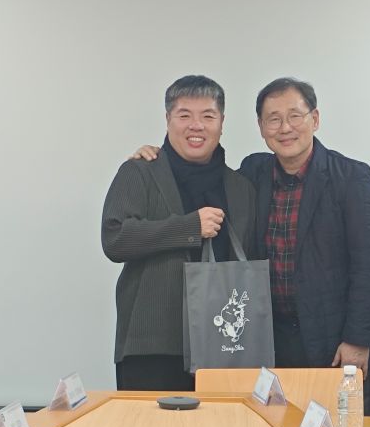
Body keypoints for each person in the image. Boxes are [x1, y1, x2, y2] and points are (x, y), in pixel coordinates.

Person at [133, 77, 370, 413]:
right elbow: (202, 180)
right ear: (260, 127)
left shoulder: (351, 178)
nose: (285, 128)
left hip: (334, 343)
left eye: (294, 116)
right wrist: (158, 159)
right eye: (273, 119)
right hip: (268, 341)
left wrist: (357, 339)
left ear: (315, 119)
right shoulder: (253, 173)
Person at [102, 75, 256, 391]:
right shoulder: (140, 171)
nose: (196, 126)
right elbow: (115, 238)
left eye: (208, 116)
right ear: (168, 119)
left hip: (226, 344)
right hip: (153, 346)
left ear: (222, 123)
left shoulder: (240, 186)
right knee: (149, 425)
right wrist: (189, 228)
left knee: (223, 425)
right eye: (184, 115)